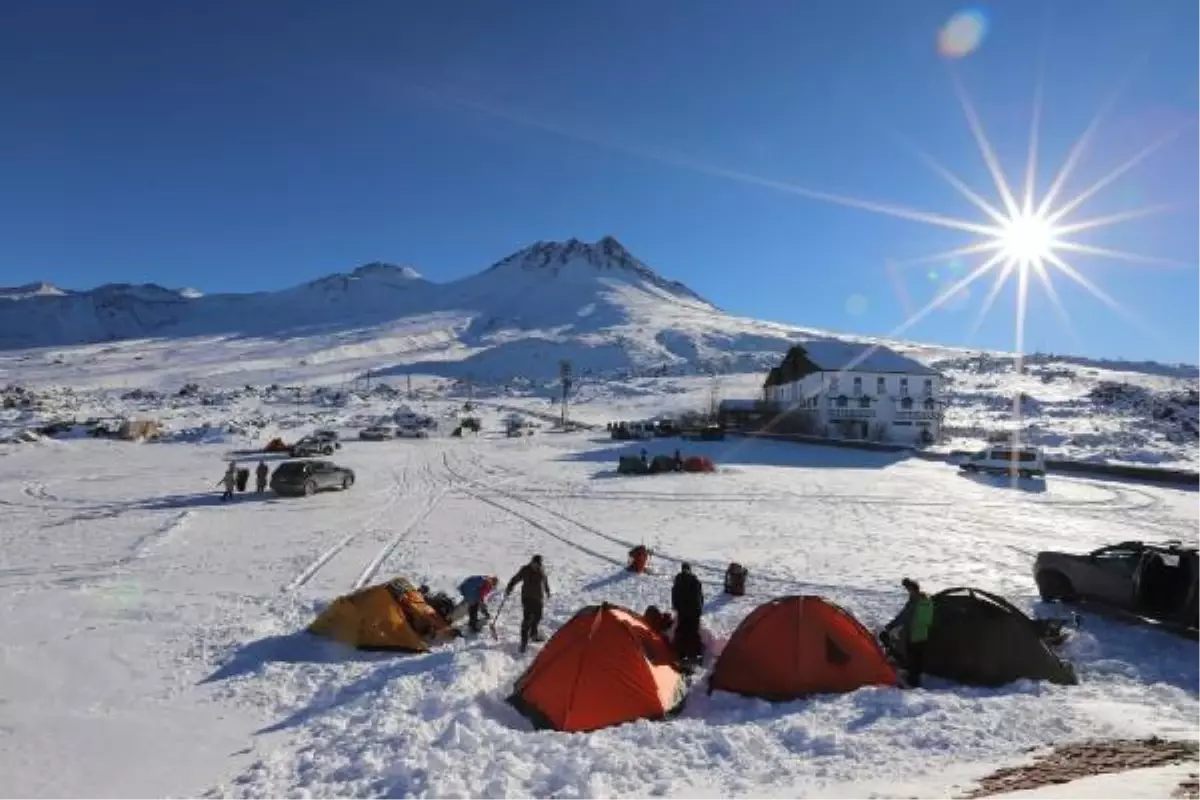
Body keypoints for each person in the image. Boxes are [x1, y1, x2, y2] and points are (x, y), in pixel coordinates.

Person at [505, 554, 551, 653]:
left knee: (538, 616)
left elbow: (545, 581)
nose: (536, 566)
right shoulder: (525, 570)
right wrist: (510, 586)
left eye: (538, 564)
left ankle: (533, 634)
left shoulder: (541, 570)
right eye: (535, 563)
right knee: (527, 619)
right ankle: (523, 642)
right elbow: (515, 578)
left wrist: (547, 591)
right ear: (532, 562)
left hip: (538, 597)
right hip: (527, 597)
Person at [899, 578, 935, 687]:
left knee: (913, 659)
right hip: (919, 634)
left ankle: (913, 682)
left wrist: (891, 626)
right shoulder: (923, 601)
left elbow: (904, 617)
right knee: (916, 658)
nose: (908, 592)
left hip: (915, 634)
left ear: (914, 590)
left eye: (909, 589)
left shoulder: (918, 603)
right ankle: (915, 680)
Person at [671, 562, 705, 666]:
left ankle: (681, 654)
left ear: (682, 569)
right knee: (693, 631)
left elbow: (674, 596)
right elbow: (700, 597)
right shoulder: (695, 581)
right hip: (694, 610)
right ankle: (695, 654)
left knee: (682, 631)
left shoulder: (678, 581)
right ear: (690, 570)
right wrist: (699, 609)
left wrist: (676, 607)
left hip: (683, 611)